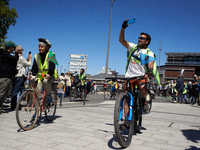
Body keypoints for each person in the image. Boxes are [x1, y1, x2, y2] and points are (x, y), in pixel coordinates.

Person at [119, 19, 160, 112]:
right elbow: (121, 40)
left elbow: (150, 64)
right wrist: (123, 28)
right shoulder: (133, 47)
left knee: (142, 87)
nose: (139, 39)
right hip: (129, 76)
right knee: (126, 99)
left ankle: (145, 100)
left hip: (140, 76)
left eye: (142, 38)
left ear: (147, 42)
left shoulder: (149, 53)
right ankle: (126, 121)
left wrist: (149, 72)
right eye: (139, 37)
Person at [30, 38, 57, 104]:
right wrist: (32, 75)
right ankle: (38, 109)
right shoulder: (36, 56)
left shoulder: (51, 54)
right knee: (36, 90)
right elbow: (34, 68)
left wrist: (49, 74)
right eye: (39, 46)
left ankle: (48, 96)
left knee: (45, 81)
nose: (40, 48)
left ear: (47, 47)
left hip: (50, 76)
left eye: (42, 47)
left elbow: (52, 66)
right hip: (40, 77)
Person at [10, 45, 32, 110]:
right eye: (22, 50)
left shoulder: (15, 57)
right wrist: (30, 59)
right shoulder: (20, 58)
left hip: (16, 76)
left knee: (18, 90)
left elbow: (24, 64)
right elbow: (28, 64)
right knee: (18, 91)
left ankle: (15, 103)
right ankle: (15, 104)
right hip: (19, 76)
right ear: (20, 50)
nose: (22, 51)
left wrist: (27, 59)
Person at [0, 42, 18, 114]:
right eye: (13, 48)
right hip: (5, 77)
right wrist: (16, 53)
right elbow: (15, 59)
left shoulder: (4, 54)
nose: (13, 50)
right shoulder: (5, 54)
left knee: (4, 93)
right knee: (1, 93)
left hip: (6, 76)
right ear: (11, 48)